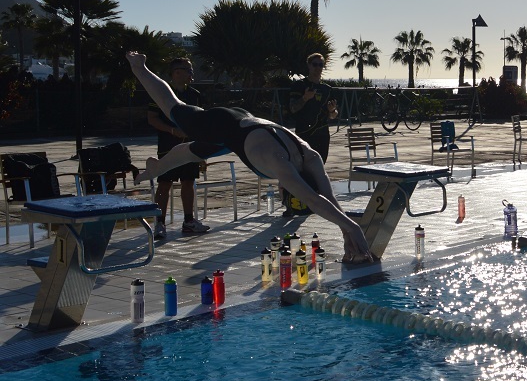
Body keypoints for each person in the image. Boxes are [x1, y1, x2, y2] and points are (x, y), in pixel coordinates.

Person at [126, 51, 376, 264]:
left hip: (242, 130)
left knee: (188, 153)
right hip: (225, 125)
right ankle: (139, 67)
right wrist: (352, 227)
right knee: (173, 108)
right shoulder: (282, 163)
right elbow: (315, 198)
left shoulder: (310, 156)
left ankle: (154, 168)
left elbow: (329, 198)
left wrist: (347, 229)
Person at [147, 57, 210, 239]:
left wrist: (203, 152)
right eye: (187, 69)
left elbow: (201, 123)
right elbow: (152, 118)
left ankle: (189, 221)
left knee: (188, 182)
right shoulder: (161, 93)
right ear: (176, 72)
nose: (191, 73)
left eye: (191, 69)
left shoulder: (195, 95)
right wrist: (172, 130)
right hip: (167, 145)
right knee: (165, 183)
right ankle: (159, 223)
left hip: (190, 146)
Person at [289, 53, 338, 162]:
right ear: (309, 65)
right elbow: (292, 108)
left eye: (320, 65)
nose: (318, 68)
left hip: (322, 134)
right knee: (304, 166)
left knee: (320, 165)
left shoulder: (327, 89)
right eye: (315, 64)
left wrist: (332, 111)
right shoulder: (300, 85)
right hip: (304, 133)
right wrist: (305, 98)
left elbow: (334, 115)